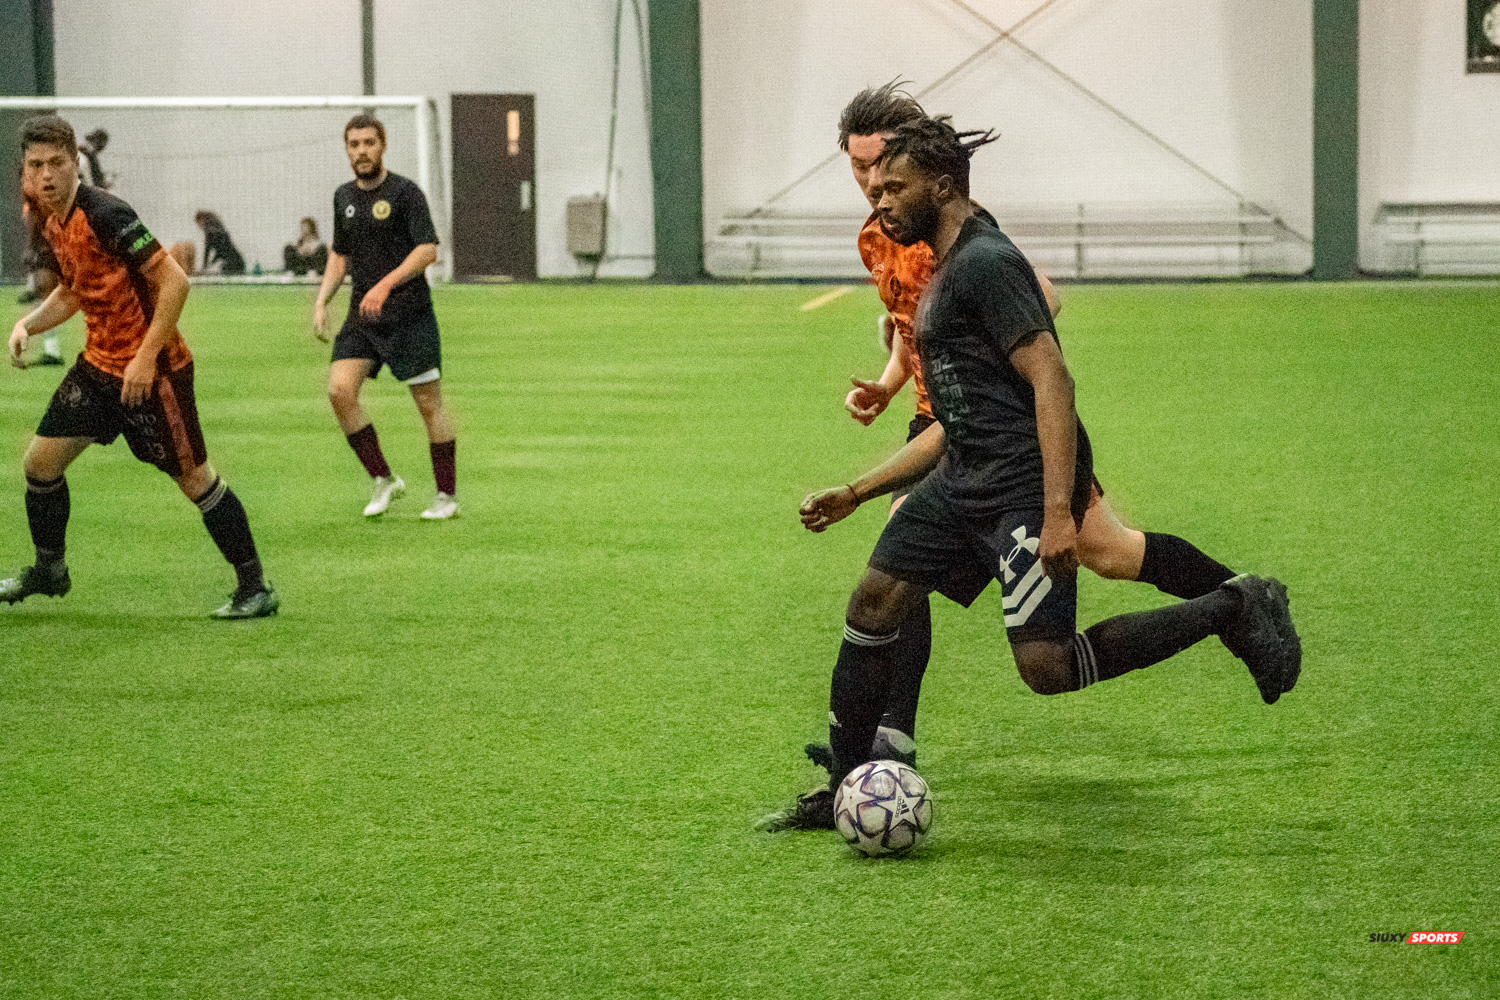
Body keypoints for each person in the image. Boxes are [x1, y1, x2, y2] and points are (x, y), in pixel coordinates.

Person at [764, 116, 1300, 830]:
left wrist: (1055, 511)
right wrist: (860, 491)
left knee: (1046, 667)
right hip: (960, 477)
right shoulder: (941, 262)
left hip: (1019, 486)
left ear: (943, 186)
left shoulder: (985, 263)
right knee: (875, 603)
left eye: (894, 186)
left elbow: (1053, 380)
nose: (878, 198)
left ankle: (1232, 606)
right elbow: (954, 419)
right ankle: (842, 784)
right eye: (873, 183)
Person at [2, 114, 277, 619]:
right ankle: (49, 569)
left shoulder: (105, 212)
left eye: (56, 163)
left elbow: (175, 282)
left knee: (196, 480)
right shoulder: (51, 218)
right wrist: (30, 325)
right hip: (99, 367)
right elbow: (74, 289)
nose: (46, 175)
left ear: (75, 162)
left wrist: (146, 358)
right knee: (40, 466)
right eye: (35, 165)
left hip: (156, 372)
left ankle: (254, 587)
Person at [313, 113, 457, 521]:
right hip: (364, 318)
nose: (361, 151)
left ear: (383, 145)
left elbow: (427, 250)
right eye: (354, 144)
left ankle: (446, 496)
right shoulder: (343, 197)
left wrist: (384, 285)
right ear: (347, 149)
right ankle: (384, 479)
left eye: (368, 143)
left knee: (428, 405)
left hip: (410, 316)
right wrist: (323, 300)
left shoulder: (406, 193)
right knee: (340, 392)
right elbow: (339, 255)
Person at [193, 211, 245, 275]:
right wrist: (207, 266)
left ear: (201, 220)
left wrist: (204, 267)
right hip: (238, 262)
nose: (199, 227)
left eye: (198, 224)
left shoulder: (210, 232)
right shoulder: (219, 229)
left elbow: (208, 251)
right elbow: (220, 252)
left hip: (232, 265)